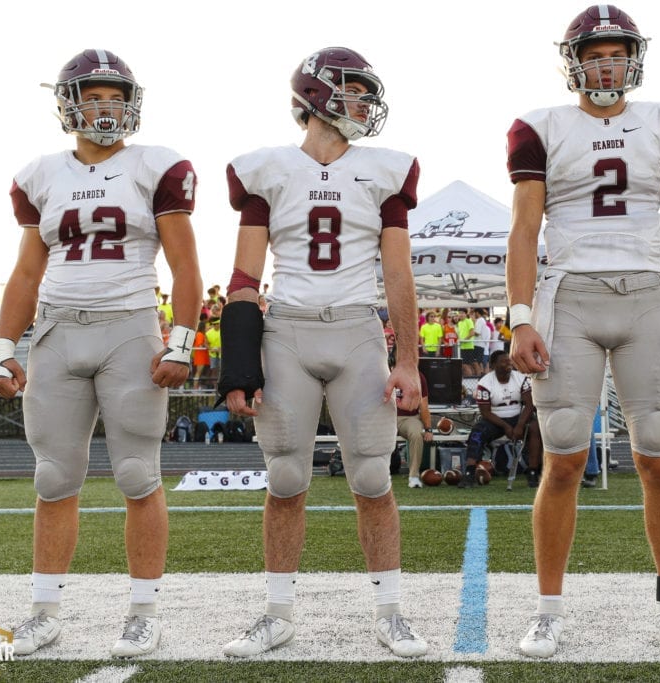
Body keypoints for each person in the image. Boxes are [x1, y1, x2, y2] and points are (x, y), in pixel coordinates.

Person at [506, 5, 660, 659]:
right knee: (563, 455)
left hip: (647, 293)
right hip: (570, 295)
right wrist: (521, 315)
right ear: (574, 63)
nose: (606, 63)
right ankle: (547, 610)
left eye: (616, 52)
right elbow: (525, 230)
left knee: (657, 453)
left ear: (633, 57)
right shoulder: (540, 127)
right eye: (594, 53)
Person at [0, 49, 202, 658]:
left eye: (116, 97)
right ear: (69, 103)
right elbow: (27, 273)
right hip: (58, 331)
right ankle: (44, 610)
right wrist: (6, 347)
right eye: (93, 97)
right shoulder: (38, 174)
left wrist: (181, 342)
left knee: (138, 473)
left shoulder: (156, 165)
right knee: (54, 477)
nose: (106, 109)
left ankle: (142, 612)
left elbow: (185, 264)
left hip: (129, 329)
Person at [219, 46, 427, 659]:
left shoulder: (384, 170)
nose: (365, 102)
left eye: (366, 92)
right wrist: (239, 365)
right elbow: (244, 280)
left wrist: (409, 359)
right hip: (287, 329)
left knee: (370, 474)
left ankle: (390, 611)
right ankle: (277, 613)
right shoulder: (268, 170)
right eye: (355, 90)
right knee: (285, 476)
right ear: (318, 95)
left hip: (359, 327)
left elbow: (399, 276)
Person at [458, 350, 542, 489]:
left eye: (509, 360)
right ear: (492, 365)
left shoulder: (520, 378)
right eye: (503, 361)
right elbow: (485, 412)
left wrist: (520, 425)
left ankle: (533, 471)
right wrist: (506, 427)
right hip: (495, 419)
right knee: (477, 432)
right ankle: (469, 472)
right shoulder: (485, 383)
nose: (508, 364)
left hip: (518, 416)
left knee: (535, 427)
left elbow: (529, 404)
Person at [396, 370, 434, 488]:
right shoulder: (383, 373)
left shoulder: (418, 377)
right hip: (385, 416)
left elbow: (423, 404)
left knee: (417, 433)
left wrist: (428, 429)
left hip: (408, 417)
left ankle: (413, 476)